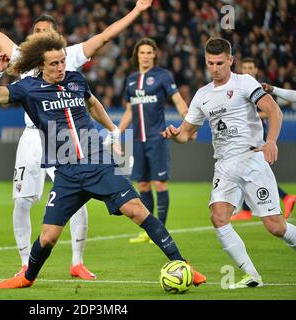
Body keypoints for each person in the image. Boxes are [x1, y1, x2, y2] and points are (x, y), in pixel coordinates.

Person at [0, 31, 206, 289]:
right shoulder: (28, 88)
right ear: (41, 65)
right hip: (66, 170)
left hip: (97, 161)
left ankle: (183, 264)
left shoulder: (76, 80)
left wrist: (112, 129)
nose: (60, 67)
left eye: (63, 61)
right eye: (54, 63)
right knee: (49, 237)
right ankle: (27, 277)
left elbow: (92, 105)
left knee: (136, 209)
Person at [0, 0, 154, 280]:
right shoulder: (22, 56)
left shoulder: (69, 55)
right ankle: (25, 263)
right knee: (22, 200)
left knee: (76, 199)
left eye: (45, 30)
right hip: (32, 136)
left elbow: (105, 36)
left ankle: (77, 262)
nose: (39, 34)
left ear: (56, 36)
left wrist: (137, 11)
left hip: (63, 138)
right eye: (36, 30)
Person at [161, 38, 296, 289]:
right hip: (224, 164)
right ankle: (251, 274)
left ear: (231, 60)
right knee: (218, 216)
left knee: (275, 227)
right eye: (210, 63)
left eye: (220, 63)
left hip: (251, 160)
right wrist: (174, 134)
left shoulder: (244, 82)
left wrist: (271, 141)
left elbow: (274, 110)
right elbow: (186, 134)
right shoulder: (202, 95)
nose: (215, 68)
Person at [117, 38, 190, 244]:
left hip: (157, 138)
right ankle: (149, 231)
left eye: (150, 52)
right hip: (137, 140)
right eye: (143, 52)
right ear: (137, 55)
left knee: (159, 183)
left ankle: (161, 230)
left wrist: (188, 119)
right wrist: (117, 133)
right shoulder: (131, 79)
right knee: (142, 185)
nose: (146, 56)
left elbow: (176, 99)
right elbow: (130, 110)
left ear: (154, 55)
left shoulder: (163, 76)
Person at [231, 57, 295, 221]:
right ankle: (247, 209)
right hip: (247, 137)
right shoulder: (241, 87)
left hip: (261, 137)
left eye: (250, 67)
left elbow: (272, 111)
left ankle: (285, 198)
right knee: (249, 171)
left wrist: (249, 115)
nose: (247, 70)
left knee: (253, 172)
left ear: (256, 70)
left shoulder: (257, 89)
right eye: (244, 67)